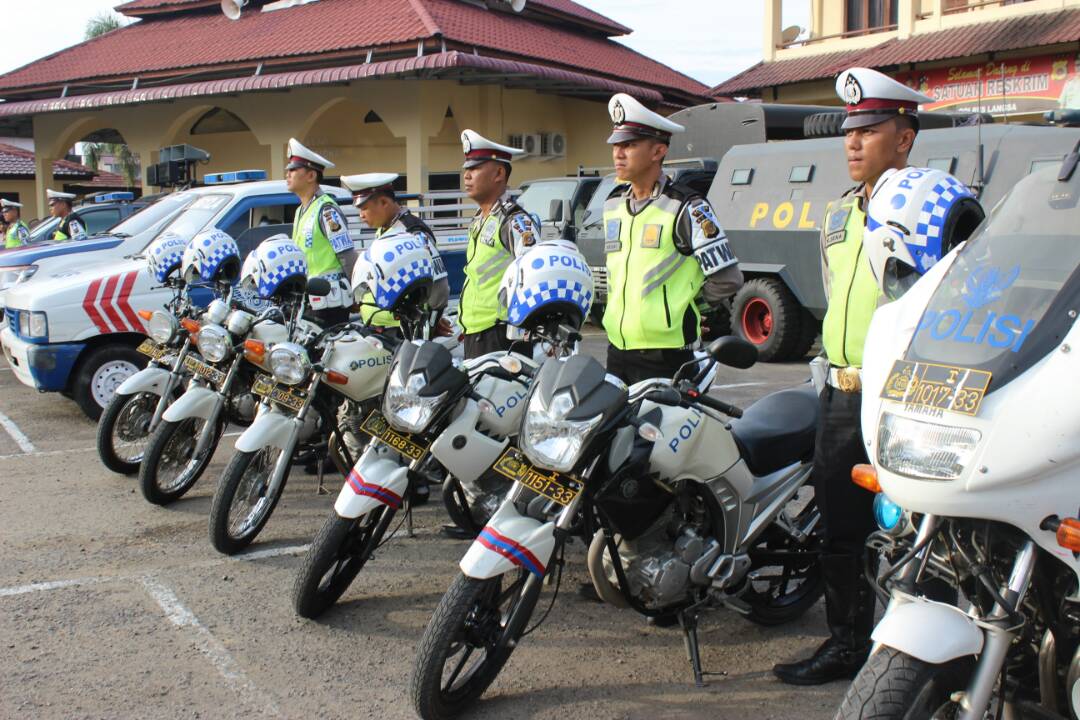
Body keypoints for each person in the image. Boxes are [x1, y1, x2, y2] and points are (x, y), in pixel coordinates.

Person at [772, 67, 935, 687]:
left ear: (904, 138)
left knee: (917, 529)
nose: (854, 143)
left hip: (902, 396)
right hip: (842, 395)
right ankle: (847, 644)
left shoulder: (932, 208)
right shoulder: (839, 214)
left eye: (870, 130)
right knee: (841, 527)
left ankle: (917, 653)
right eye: (849, 132)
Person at [601, 93, 743, 386]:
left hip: (669, 357)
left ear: (658, 152)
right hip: (617, 350)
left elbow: (728, 278)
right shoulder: (612, 205)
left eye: (629, 145)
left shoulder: (687, 207)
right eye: (616, 145)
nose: (618, 153)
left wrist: (689, 307)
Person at [458, 129, 539, 359]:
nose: (467, 175)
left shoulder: (514, 220)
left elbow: (533, 276)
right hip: (476, 331)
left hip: (501, 334)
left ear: (499, 173)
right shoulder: (480, 219)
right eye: (466, 169)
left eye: (475, 168)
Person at [340, 172, 449, 333]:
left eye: (364, 208)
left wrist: (429, 323)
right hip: (383, 329)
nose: (361, 215)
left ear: (384, 202)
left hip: (404, 331)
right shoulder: (385, 229)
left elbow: (439, 286)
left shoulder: (412, 231)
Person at [284, 137, 356, 326]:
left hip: (330, 299)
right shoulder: (301, 210)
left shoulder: (326, 210)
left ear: (311, 176)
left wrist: (357, 293)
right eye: (288, 170)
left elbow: (347, 255)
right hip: (308, 299)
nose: (288, 174)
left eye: (293, 170)